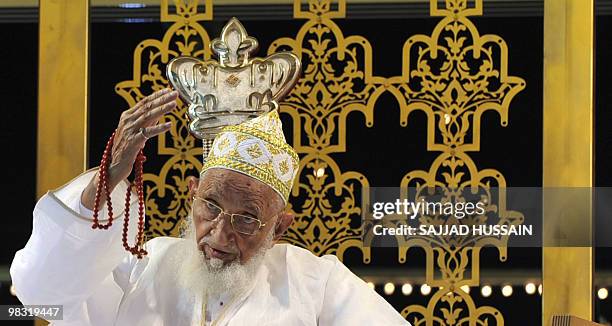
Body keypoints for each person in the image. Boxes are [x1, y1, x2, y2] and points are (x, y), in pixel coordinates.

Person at [10, 88, 410, 325]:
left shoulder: (316, 284)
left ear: (279, 227)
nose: (220, 235)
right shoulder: (145, 265)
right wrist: (108, 178)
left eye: (247, 219)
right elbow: (41, 292)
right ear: (192, 194)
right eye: (212, 207)